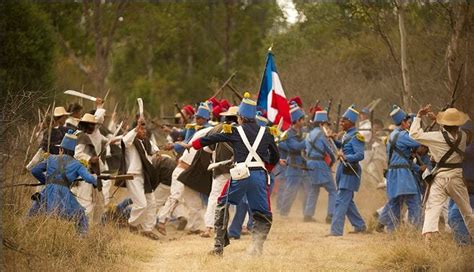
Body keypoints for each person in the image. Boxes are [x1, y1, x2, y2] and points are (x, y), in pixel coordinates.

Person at [187, 92, 279, 256]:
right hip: (259, 176)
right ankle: (257, 247)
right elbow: (276, 156)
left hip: (241, 175)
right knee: (263, 213)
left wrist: (194, 144)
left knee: (222, 203)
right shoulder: (267, 132)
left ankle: (218, 247)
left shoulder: (235, 131)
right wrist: (268, 167)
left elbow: (213, 138)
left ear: (241, 117)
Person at [409, 105, 474, 241]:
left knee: (432, 209)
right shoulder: (464, 136)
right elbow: (461, 132)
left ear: (443, 123)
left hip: (440, 177)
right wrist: (439, 119)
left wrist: (419, 116)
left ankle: (429, 239)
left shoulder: (436, 137)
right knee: (467, 212)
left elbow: (414, 134)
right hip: (456, 177)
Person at [29, 131, 99, 235]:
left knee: (34, 210)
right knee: (80, 215)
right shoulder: (77, 164)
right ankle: (82, 238)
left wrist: (46, 181)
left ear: (61, 149)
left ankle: (24, 228)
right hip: (63, 194)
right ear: (73, 152)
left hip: (48, 191)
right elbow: (89, 178)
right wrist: (96, 181)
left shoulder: (51, 158)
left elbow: (35, 170)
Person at [327, 105, 367, 236]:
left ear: (350, 122)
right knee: (347, 201)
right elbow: (343, 146)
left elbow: (360, 155)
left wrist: (346, 157)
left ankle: (336, 231)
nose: (341, 123)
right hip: (343, 170)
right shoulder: (346, 135)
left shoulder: (356, 136)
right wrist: (334, 140)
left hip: (350, 171)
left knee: (340, 201)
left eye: (343, 121)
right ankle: (360, 226)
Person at [384, 105, 421, 231]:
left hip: (393, 173)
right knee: (414, 201)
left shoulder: (392, 135)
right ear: (403, 122)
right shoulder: (403, 135)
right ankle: (415, 231)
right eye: (409, 122)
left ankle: (391, 232)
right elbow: (418, 141)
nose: (409, 125)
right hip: (402, 173)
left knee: (395, 203)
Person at [122, 117, 160, 240]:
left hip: (145, 175)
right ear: (136, 130)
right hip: (133, 176)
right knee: (141, 204)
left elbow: (154, 149)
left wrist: (157, 153)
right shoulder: (130, 142)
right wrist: (135, 128)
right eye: (141, 130)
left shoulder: (144, 142)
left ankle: (147, 229)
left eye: (144, 130)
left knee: (151, 203)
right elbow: (125, 140)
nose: (144, 132)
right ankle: (132, 224)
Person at [305, 110, 336, 224]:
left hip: (310, 163)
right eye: (326, 124)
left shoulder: (308, 135)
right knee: (333, 191)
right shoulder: (322, 135)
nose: (327, 127)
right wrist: (332, 163)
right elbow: (330, 152)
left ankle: (308, 215)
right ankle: (330, 215)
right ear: (321, 124)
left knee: (314, 189)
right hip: (320, 164)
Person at [279, 102, 309, 219]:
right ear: (297, 121)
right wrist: (308, 140)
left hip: (304, 166)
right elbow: (295, 147)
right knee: (290, 192)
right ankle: (283, 213)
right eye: (302, 119)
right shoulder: (289, 134)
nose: (303, 121)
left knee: (307, 191)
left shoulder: (303, 132)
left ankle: (307, 214)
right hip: (293, 166)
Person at [448, 120, 473, 245]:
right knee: (453, 217)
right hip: (459, 188)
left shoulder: (470, 147)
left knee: (455, 216)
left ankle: (464, 247)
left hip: (470, 189)